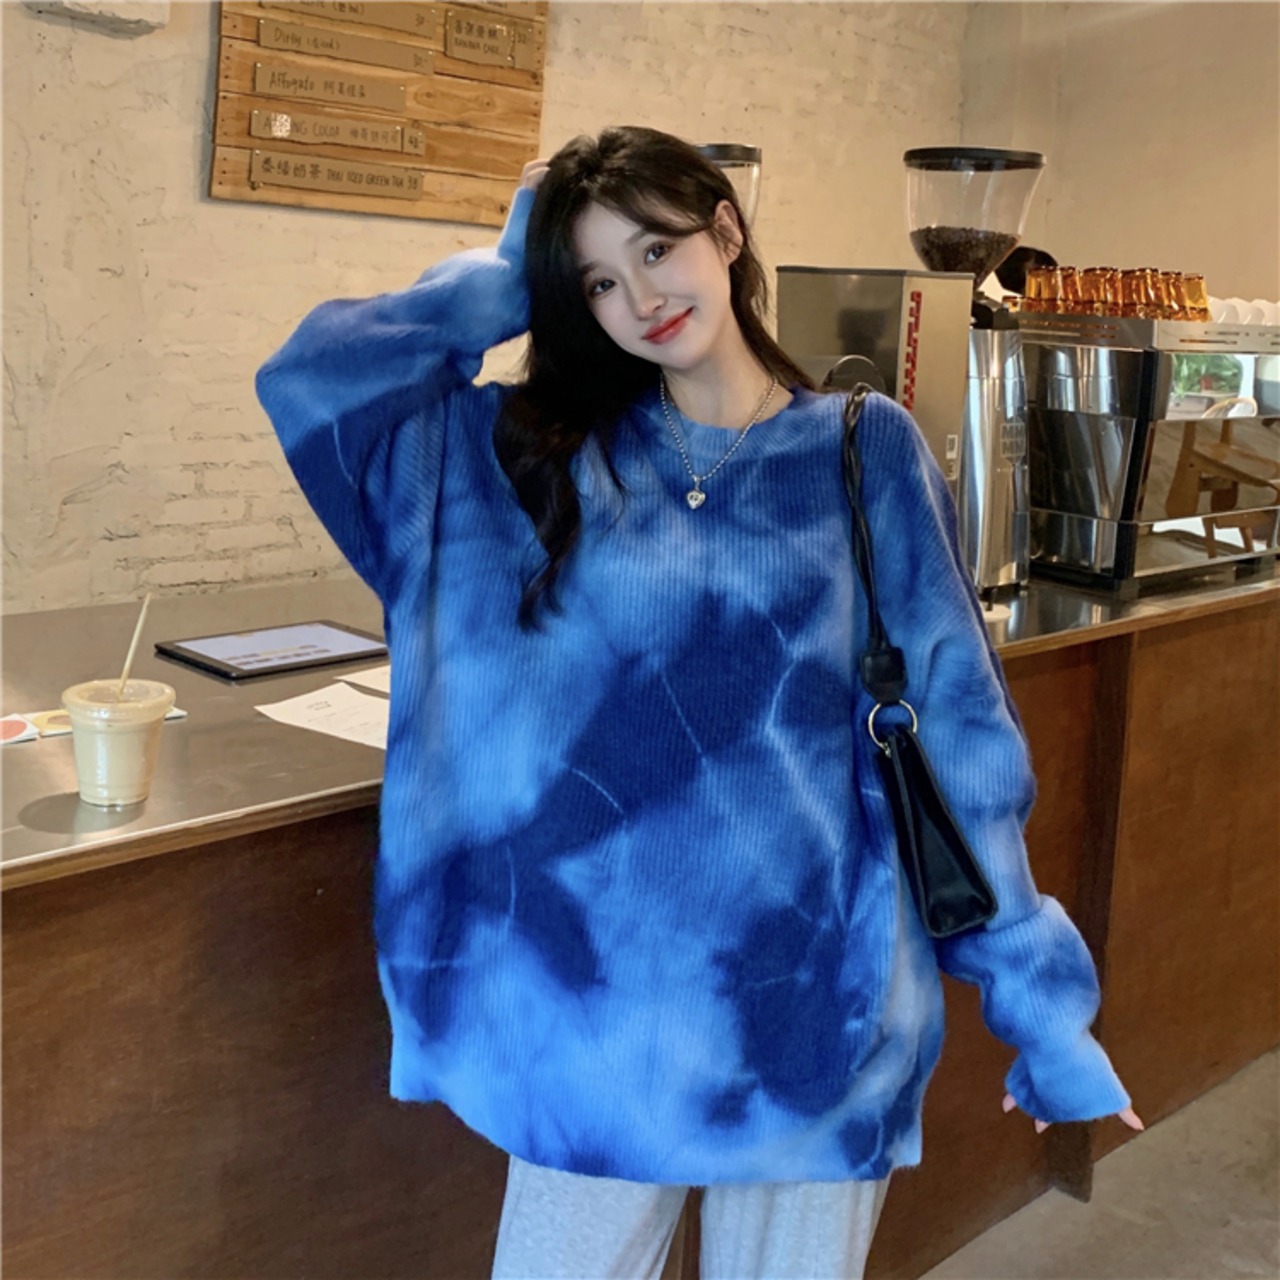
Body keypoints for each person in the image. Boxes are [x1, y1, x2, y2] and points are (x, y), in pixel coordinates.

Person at [256, 126, 1141, 1280]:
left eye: (655, 248)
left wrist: (1040, 1008)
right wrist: (502, 277)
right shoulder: (521, 460)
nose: (639, 299)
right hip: (595, 1026)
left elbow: (959, 735)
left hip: (819, 1009)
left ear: (724, 231)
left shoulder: (859, 452)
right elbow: (322, 379)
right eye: (595, 281)